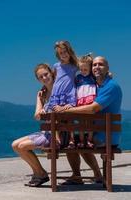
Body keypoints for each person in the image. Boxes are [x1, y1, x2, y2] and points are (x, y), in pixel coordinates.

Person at [62, 56, 123, 185]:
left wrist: (66, 111)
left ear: (107, 68)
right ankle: (95, 175)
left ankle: (78, 176)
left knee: (70, 142)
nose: (96, 67)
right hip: (100, 132)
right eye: (94, 65)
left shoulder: (111, 86)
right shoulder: (97, 85)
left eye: (100, 64)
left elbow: (93, 108)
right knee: (79, 139)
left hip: (106, 136)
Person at [12, 63, 54, 187]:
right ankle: (39, 172)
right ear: (38, 79)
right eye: (41, 77)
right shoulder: (43, 93)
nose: (44, 78)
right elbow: (37, 116)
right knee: (15, 145)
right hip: (46, 132)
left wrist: (47, 113)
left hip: (57, 134)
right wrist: (39, 99)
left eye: (46, 74)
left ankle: (40, 174)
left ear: (51, 73)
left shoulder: (59, 89)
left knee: (22, 146)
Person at [48, 40, 78, 146]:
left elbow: (87, 65)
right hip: (57, 94)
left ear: (69, 51)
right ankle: (56, 139)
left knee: (70, 117)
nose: (63, 54)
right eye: (61, 53)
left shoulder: (75, 65)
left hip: (69, 93)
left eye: (65, 51)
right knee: (54, 116)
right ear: (58, 55)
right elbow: (52, 78)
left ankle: (71, 139)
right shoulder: (56, 66)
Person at [68, 54, 96, 149]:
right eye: (81, 69)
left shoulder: (93, 77)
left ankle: (89, 140)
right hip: (80, 102)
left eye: (85, 69)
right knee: (81, 123)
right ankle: (81, 140)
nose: (83, 72)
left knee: (90, 123)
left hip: (90, 102)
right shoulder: (78, 78)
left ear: (90, 68)